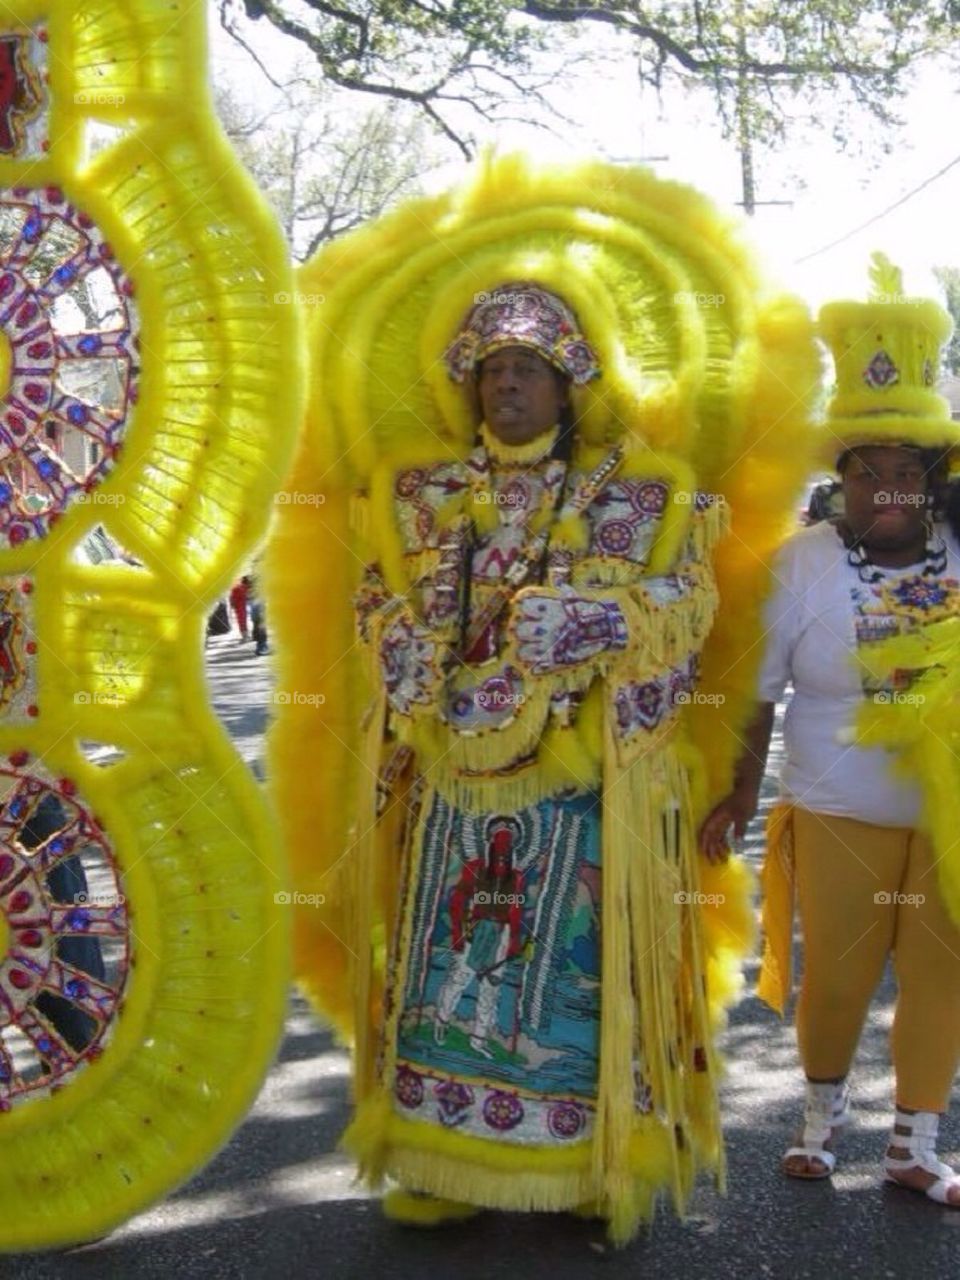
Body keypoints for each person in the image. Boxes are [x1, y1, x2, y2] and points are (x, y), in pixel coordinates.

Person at [267, 157, 820, 1246]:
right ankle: (439, 1154)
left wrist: (603, 625)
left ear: (573, 381)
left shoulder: (638, 495)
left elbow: (688, 601)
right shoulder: (420, 498)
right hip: (448, 784)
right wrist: (400, 649)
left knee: (574, 986)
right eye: (488, 366)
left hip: (580, 794)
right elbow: (375, 593)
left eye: (528, 366)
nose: (505, 384)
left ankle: (589, 1165)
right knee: (445, 978)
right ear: (464, 382)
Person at [700, 269, 960, 1205]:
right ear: (838, 479)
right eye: (865, 470)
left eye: (907, 470)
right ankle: (818, 1125)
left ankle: (916, 1145)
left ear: (934, 479)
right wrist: (736, 792)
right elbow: (758, 693)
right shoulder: (794, 567)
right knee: (838, 978)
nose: (887, 487)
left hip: (950, 816)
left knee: (941, 977)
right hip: (836, 805)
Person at [229, 575, 250, 640]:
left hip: (240, 605)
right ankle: (245, 634)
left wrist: (232, 604)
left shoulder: (237, 587)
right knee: (242, 619)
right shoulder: (242, 586)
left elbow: (233, 598)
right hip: (241, 604)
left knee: (241, 620)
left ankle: (245, 635)